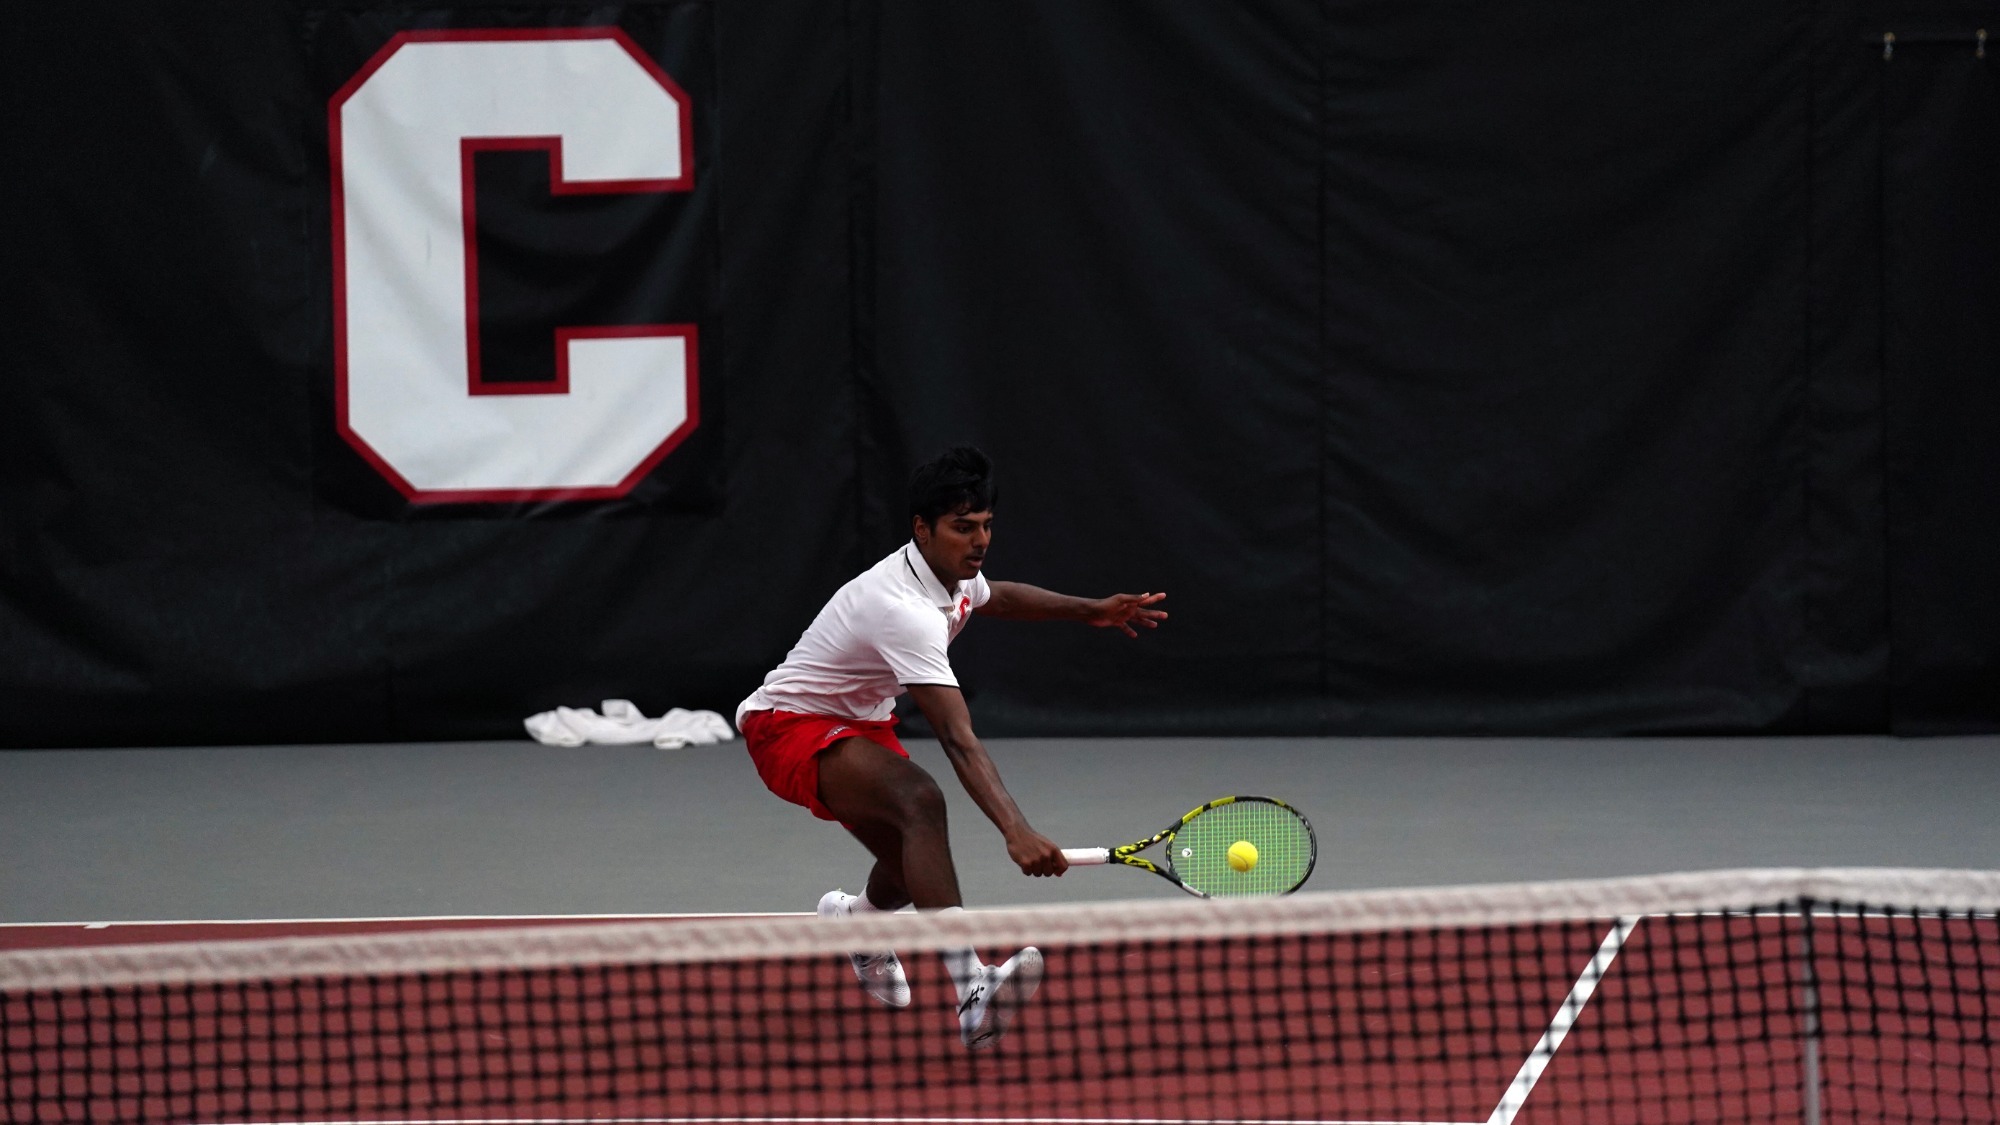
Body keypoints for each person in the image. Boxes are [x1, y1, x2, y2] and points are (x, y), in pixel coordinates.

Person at [735, 446, 1168, 1049]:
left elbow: (999, 596)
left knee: (913, 865)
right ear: (922, 528)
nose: (980, 540)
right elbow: (957, 739)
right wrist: (1015, 829)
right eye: (963, 527)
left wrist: (1088, 610)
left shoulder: (950, 575)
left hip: (860, 721)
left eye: (986, 524)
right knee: (920, 801)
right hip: (787, 724)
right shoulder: (902, 610)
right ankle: (973, 989)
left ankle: (855, 924)